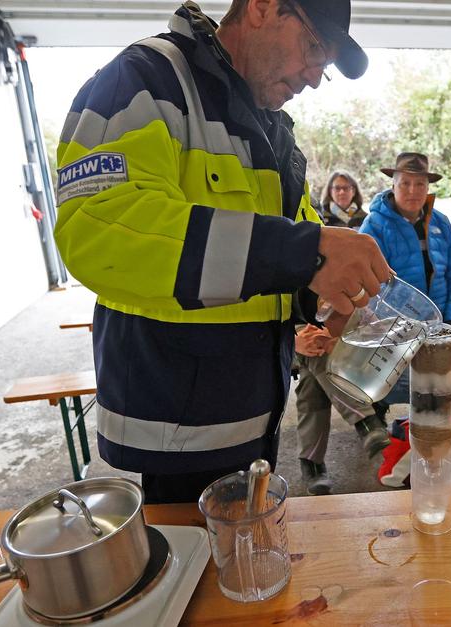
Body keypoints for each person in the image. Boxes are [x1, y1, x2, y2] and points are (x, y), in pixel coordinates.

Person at [53, 0, 393, 504]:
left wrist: (319, 303)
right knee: (196, 574)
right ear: (260, 7)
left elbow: (281, 257)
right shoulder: (145, 80)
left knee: (244, 567)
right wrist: (306, 253)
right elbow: (99, 229)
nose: (317, 76)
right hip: (174, 431)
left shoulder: (275, 132)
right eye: (315, 48)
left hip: (253, 421)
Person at [360, 152, 451, 428]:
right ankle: (380, 401)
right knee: (411, 382)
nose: (413, 191)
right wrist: (405, 329)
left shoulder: (440, 222)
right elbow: (370, 287)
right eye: (405, 183)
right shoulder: (374, 226)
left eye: (420, 184)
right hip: (399, 327)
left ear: (428, 188)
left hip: (441, 321)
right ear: (393, 184)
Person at [294, 171, 387, 495]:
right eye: (337, 187)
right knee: (318, 353)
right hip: (298, 325)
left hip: (345, 315)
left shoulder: (366, 222)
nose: (342, 192)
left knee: (314, 371)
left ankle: (312, 462)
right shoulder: (312, 230)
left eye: (347, 187)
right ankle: (365, 421)